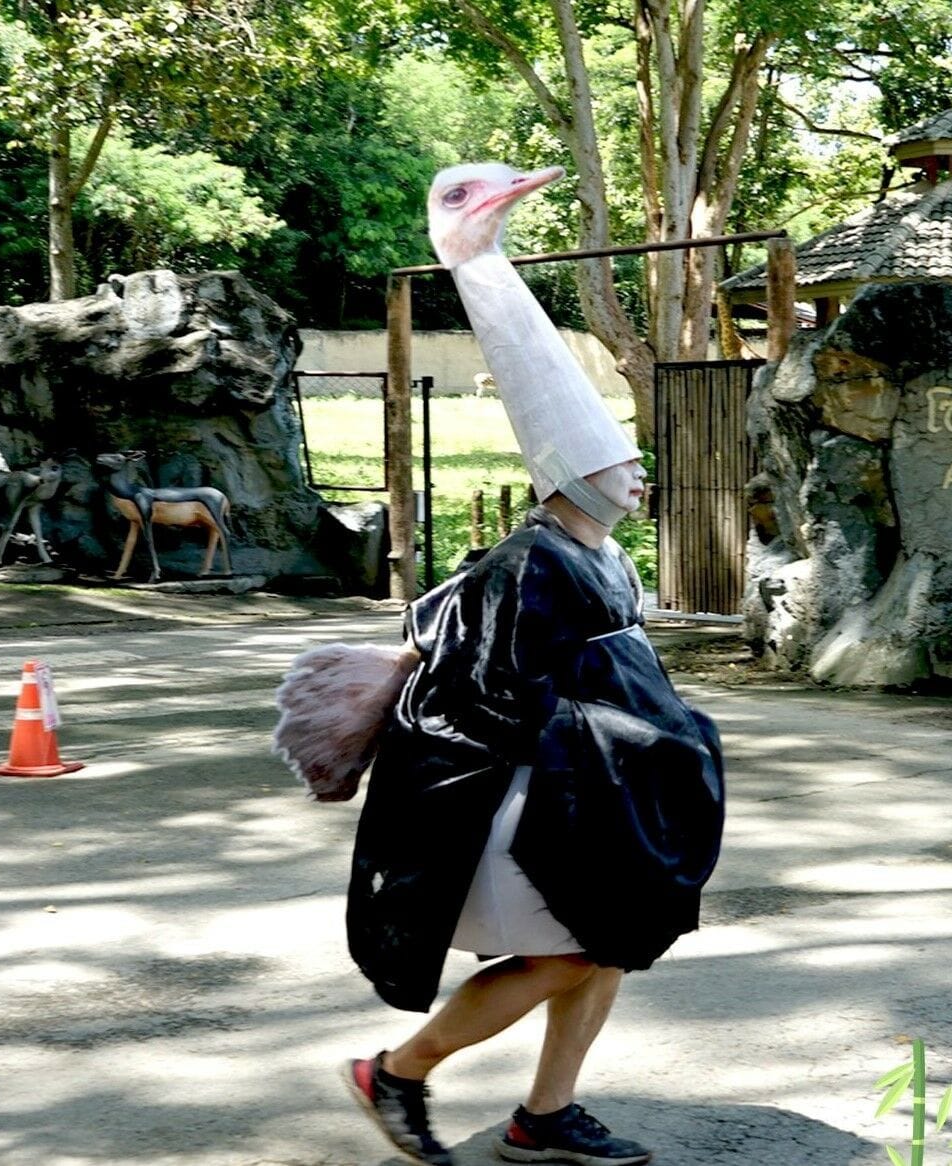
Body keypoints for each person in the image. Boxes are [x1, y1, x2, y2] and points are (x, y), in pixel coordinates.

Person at [338, 163, 726, 1166]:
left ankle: (544, 1116)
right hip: (525, 810)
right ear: (576, 473)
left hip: (592, 804)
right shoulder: (527, 564)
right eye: (620, 461)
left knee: (611, 944)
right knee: (566, 949)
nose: (637, 469)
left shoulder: (597, 554)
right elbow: (480, 702)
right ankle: (399, 1069)